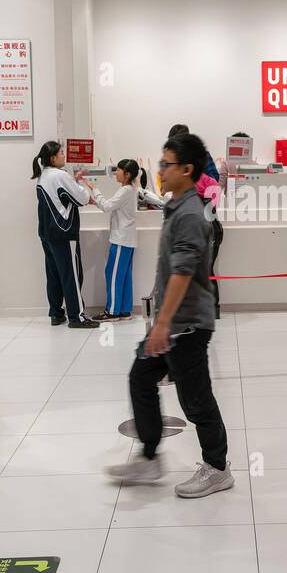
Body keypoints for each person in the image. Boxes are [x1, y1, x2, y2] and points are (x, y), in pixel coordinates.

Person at [106, 132, 233, 498]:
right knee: (141, 378)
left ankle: (218, 467)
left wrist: (162, 325)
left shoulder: (192, 213)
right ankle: (149, 457)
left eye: (167, 164)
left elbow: (181, 272)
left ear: (187, 169)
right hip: (171, 323)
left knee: (196, 400)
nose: (160, 170)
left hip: (187, 326)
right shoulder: (177, 205)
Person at [33, 140, 100, 329]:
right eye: (61, 153)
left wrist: (74, 180)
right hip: (63, 233)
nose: (64, 155)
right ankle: (76, 317)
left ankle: (56, 313)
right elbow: (81, 198)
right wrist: (81, 186)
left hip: (47, 233)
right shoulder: (60, 175)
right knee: (71, 274)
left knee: (54, 274)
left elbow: (63, 196)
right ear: (53, 158)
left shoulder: (44, 175)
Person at [167, 123, 224, 318]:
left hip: (204, 224)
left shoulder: (196, 165)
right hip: (201, 222)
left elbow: (213, 186)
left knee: (202, 269)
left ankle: (207, 309)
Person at [88, 159, 141, 321]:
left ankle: (111, 312)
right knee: (124, 275)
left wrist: (95, 190)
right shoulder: (131, 189)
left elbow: (107, 206)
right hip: (127, 240)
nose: (115, 172)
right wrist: (96, 201)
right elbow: (110, 205)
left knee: (112, 274)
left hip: (121, 240)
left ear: (127, 174)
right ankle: (124, 310)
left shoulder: (125, 190)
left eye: (118, 170)